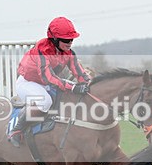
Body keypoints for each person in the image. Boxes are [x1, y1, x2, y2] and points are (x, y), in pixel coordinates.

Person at [8, 16, 92, 147]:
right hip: (27, 82)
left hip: (45, 83)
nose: (70, 42)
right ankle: (17, 129)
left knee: (70, 94)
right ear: (54, 39)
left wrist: (89, 85)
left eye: (72, 39)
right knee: (45, 101)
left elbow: (80, 73)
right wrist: (73, 87)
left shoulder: (68, 53)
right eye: (66, 40)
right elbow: (49, 78)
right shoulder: (42, 50)